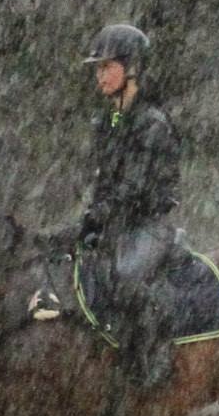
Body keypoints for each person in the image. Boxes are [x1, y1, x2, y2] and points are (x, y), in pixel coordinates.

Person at [76, 22, 183, 389]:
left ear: (132, 68)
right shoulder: (106, 122)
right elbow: (103, 182)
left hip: (150, 226)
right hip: (115, 225)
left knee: (123, 279)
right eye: (97, 68)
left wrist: (99, 217)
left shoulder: (153, 124)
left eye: (107, 67)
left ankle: (155, 359)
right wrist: (86, 221)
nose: (100, 75)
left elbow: (133, 189)